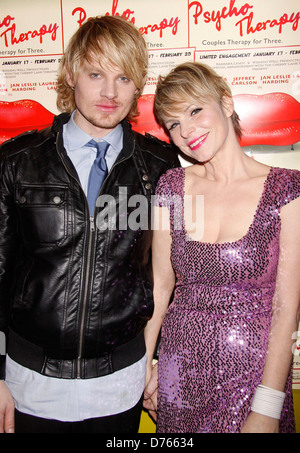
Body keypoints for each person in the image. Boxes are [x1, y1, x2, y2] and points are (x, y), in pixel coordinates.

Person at [0, 16, 180, 433]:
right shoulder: (17, 162)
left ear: (138, 86)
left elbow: (166, 276)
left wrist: (156, 361)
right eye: (96, 73)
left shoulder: (160, 167)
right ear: (70, 73)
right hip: (30, 383)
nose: (110, 92)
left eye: (124, 77)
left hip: (122, 382)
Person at [143, 62, 300, 433]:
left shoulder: (286, 190)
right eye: (174, 124)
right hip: (177, 378)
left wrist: (267, 405)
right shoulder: (171, 186)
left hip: (252, 380)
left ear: (226, 104)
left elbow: (286, 307)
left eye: (194, 110)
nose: (187, 131)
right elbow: (160, 289)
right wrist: (143, 370)